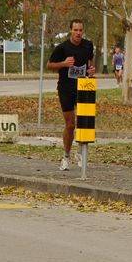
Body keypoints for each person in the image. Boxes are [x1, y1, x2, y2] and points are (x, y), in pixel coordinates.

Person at [46, 19, 96, 171]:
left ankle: (80, 152)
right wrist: (63, 64)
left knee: (83, 122)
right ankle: (65, 156)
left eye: (80, 30)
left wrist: (91, 70)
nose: (78, 33)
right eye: (75, 30)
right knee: (70, 124)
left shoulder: (88, 45)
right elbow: (49, 65)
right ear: (70, 31)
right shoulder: (62, 48)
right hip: (66, 89)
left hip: (84, 87)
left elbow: (90, 61)